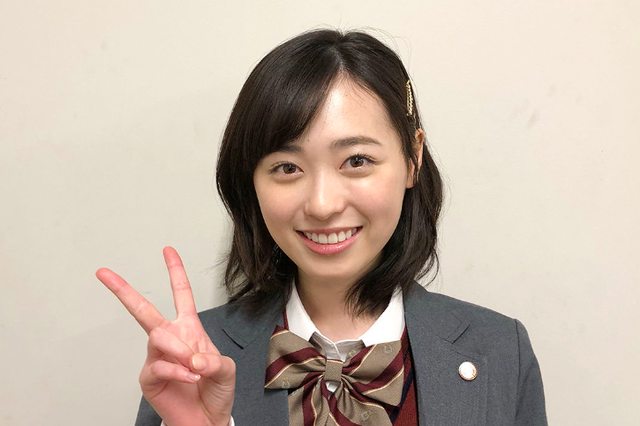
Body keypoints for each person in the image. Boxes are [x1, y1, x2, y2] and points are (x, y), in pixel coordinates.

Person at [96, 29, 547, 426]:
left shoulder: (499, 350)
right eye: (287, 167)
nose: (323, 205)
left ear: (413, 159)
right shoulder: (192, 358)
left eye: (357, 160)